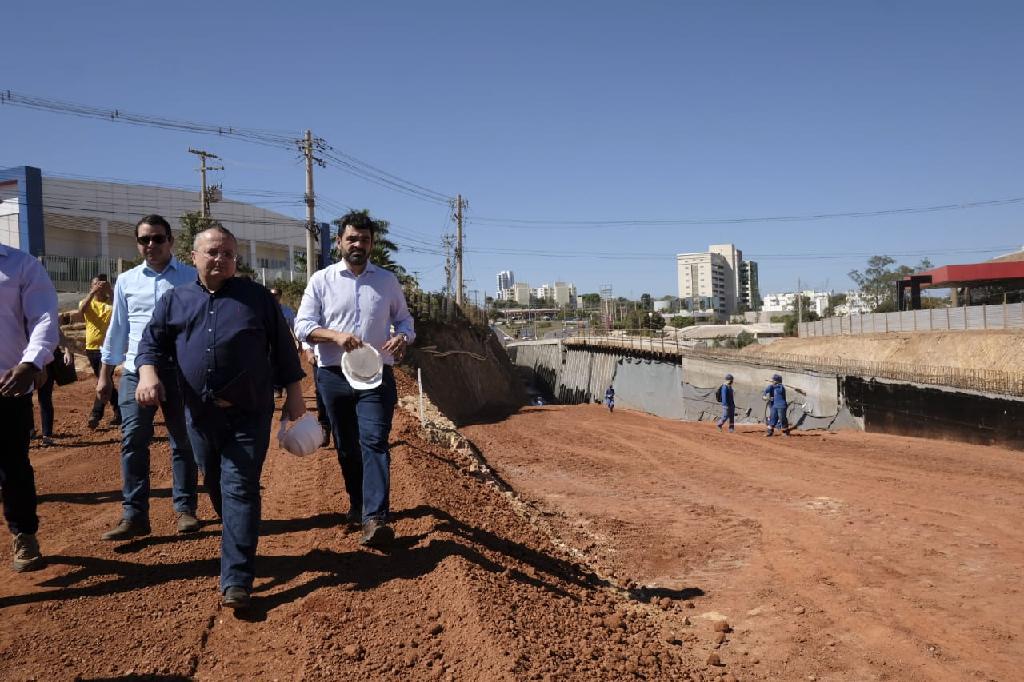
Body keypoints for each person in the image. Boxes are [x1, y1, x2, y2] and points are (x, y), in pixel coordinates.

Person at [136, 225, 305, 609]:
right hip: (200, 415)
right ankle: (237, 531)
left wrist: (296, 399)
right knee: (215, 484)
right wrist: (147, 374)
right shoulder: (174, 301)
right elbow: (152, 345)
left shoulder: (258, 298)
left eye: (228, 253)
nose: (221, 259)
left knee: (240, 487)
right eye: (213, 252)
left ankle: (236, 579)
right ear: (193, 257)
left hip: (250, 413)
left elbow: (284, 352)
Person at [294, 210, 415, 547]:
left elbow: (405, 321)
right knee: (347, 446)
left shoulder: (387, 281)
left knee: (374, 441)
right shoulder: (322, 280)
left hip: (376, 375)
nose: (358, 244)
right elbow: (302, 326)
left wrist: (403, 337)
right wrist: (335, 336)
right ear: (339, 242)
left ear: (372, 244)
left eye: (364, 239)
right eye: (352, 239)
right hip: (333, 375)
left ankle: (375, 517)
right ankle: (358, 504)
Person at [97, 214, 201, 540]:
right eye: (145, 240)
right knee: (133, 442)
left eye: (158, 238)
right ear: (138, 244)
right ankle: (134, 515)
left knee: (182, 442)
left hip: (179, 373)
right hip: (134, 372)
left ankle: (185, 509)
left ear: (170, 240)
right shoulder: (127, 281)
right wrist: (103, 376)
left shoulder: (190, 277)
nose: (151, 245)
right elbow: (118, 330)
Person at [0, 242, 59, 572]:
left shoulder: (21, 266)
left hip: (7, 386)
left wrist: (31, 363)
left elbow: (44, 317)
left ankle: (24, 534)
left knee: (14, 467)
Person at [80, 274, 121, 429]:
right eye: (95, 284)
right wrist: (92, 293)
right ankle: (120, 412)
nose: (99, 287)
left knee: (102, 382)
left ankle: (95, 415)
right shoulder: (87, 303)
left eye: (101, 284)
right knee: (106, 381)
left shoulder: (112, 303)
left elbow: (120, 307)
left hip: (108, 349)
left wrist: (110, 292)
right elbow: (81, 310)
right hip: (91, 348)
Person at [33, 328, 75, 446]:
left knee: (45, 397)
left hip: (49, 359)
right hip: (29, 359)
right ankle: (29, 431)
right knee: (25, 396)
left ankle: (47, 435)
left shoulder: (48, 311)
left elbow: (58, 331)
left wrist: (67, 351)